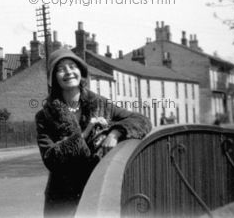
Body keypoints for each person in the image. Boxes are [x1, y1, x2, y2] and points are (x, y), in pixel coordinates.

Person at [35, 49, 152, 217]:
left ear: (80, 71)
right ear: (54, 77)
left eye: (72, 66)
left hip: (99, 189)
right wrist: (86, 132)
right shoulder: (45, 115)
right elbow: (50, 158)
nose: (68, 72)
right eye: (61, 69)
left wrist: (115, 133)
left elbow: (141, 120)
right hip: (63, 198)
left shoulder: (100, 104)